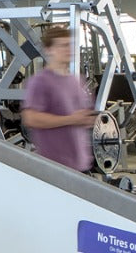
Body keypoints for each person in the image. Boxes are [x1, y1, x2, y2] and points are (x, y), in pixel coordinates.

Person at [21, 26, 96, 171]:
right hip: (56, 166)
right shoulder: (40, 81)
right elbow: (30, 118)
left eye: (70, 45)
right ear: (49, 50)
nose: (68, 49)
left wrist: (86, 119)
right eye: (62, 45)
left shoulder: (76, 80)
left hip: (80, 163)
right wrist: (71, 119)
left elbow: (80, 116)